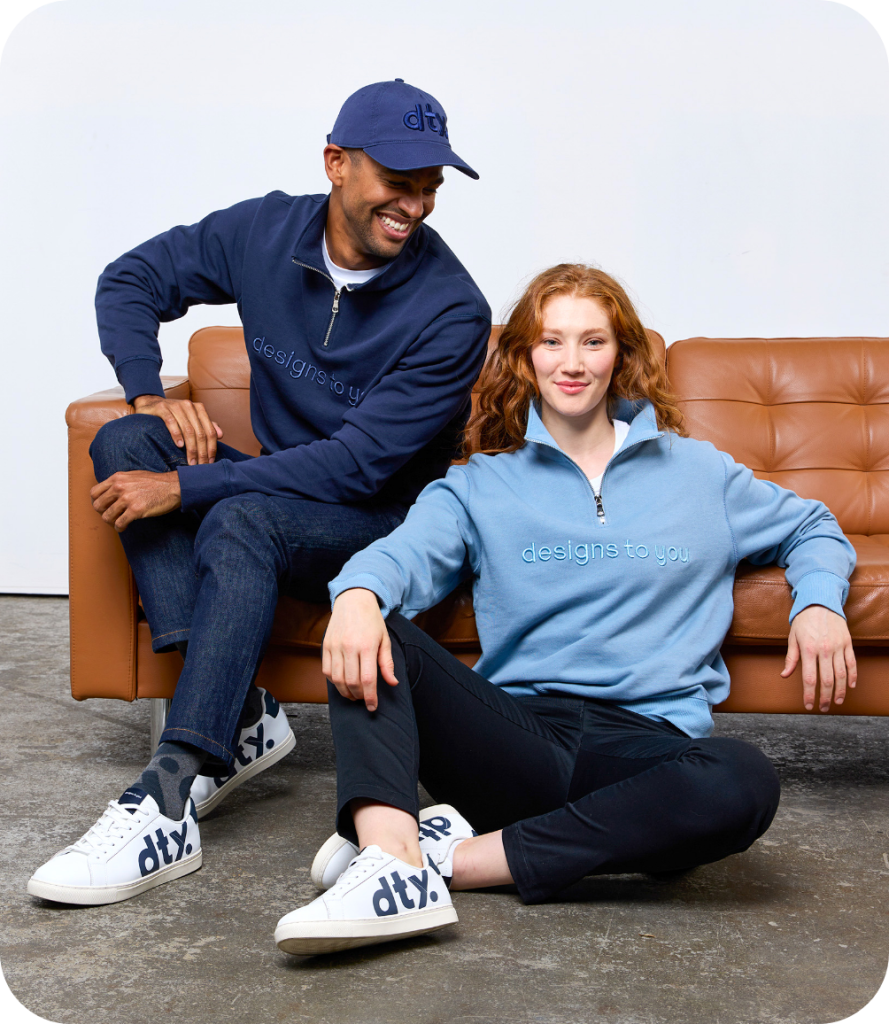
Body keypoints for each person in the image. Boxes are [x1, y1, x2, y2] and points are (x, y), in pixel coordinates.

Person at [272, 263, 857, 956]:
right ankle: (391, 865)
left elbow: (812, 526)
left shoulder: (700, 472)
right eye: (551, 342)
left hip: (646, 748)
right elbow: (395, 557)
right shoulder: (480, 484)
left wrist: (817, 606)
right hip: (515, 735)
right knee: (377, 631)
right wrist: (360, 596)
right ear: (524, 357)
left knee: (743, 781)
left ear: (623, 356)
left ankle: (447, 862)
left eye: (592, 342)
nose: (571, 364)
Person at [28, 80, 491, 907]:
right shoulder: (264, 231)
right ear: (336, 165)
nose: (415, 204)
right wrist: (147, 394)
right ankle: (241, 713)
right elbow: (129, 278)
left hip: (383, 524)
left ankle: (173, 790)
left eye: (430, 187)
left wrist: (186, 485)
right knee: (122, 441)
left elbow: (354, 467)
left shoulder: (450, 310)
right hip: (283, 499)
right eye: (399, 180)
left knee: (235, 512)